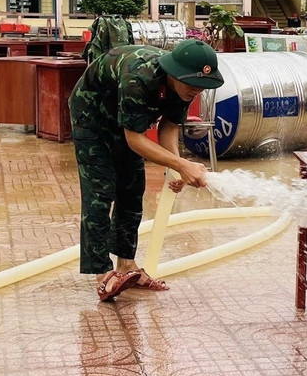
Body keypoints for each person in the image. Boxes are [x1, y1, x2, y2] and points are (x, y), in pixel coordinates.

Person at [69, 39, 224, 301]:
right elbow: (135, 139)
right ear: (174, 73)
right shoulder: (138, 76)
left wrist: (174, 168)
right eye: (192, 85)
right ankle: (103, 274)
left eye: (202, 87)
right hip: (92, 118)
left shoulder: (186, 86)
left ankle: (126, 265)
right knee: (101, 191)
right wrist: (181, 165)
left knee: (132, 189)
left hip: (129, 123)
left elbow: (169, 125)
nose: (196, 90)